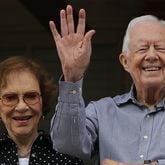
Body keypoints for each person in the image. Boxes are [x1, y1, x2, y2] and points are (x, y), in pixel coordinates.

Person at [49, 4, 165, 165]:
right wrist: (72, 77)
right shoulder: (102, 111)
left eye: (161, 48)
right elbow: (67, 145)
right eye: (142, 48)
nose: (151, 55)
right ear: (125, 62)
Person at [0, 56, 84, 165]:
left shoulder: (68, 157)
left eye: (31, 96)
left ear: (43, 101)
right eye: (10, 98)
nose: (21, 107)